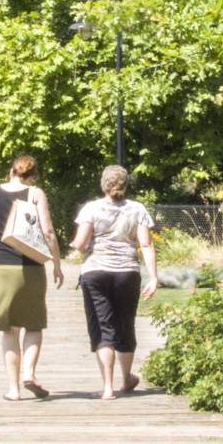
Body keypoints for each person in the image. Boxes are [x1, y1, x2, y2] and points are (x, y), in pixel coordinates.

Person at [0, 154, 64, 401]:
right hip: (31, 266)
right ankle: (29, 373)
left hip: (1, 266)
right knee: (33, 324)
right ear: (32, 175)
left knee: (9, 330)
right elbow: (48, 232)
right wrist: (56, 263)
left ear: (11, 171)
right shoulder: (35, 194)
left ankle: (13, 390)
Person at [70, 165, 157, 400]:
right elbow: (146, 245)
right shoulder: (137, 209)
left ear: (103, 184)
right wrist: (154, 277)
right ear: (126, 185)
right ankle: (127, 378)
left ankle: (108, 387)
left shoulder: (92, 209)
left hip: (95, 272)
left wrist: (80, 248)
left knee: (103, 326)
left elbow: (79, 243)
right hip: (127, 273)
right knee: (126, 324)